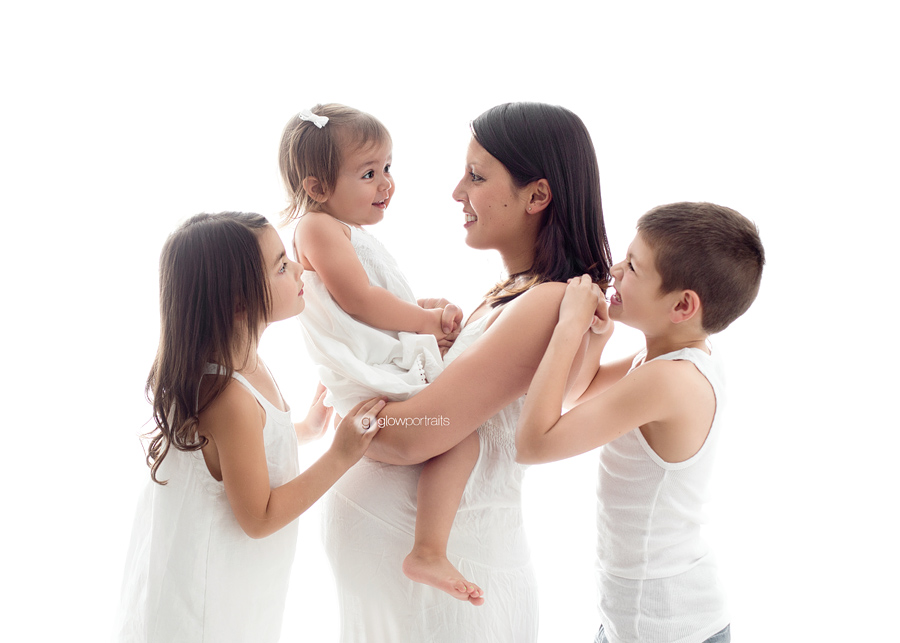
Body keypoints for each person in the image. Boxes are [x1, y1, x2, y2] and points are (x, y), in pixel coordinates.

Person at [321, 102, 614, 642]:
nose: (458, 192)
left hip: (448, 594)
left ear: (537, 196)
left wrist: (356, 422)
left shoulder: (548, 302)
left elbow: (418, 437)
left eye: (476, 177)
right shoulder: (516, 297)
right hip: (420, 592)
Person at [115, 212, 385, 642]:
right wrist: (340, 456)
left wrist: (304, 430)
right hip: (206, 606)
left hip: (232, 584)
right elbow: (258, 516)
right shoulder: (229, 396)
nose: (298, 268)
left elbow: (233, 459)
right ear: (239, 302)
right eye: (281, 266)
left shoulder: (240, 362)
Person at [516, 202, 765, 643]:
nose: (614, 269)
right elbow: (579, 390)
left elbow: (533, 444)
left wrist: (567, 329)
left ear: (683, 305)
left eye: (632, 266)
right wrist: (597, 333)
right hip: (636, 619)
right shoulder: (669, 357)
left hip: (664, 627)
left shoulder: (669, 380)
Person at [278, 103, 484, 604]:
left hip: (376, 355)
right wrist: (426, 322)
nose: (386, 183)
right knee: (458, 435)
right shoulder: (318, 228)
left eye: (388, 168)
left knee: (459, 430)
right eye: (368, 173)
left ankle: (429, 548)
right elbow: (361, 302)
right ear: (317, 188)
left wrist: (420, 311)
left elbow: (373, 300)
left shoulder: (348, 233)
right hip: (365, 370)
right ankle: (428, 550)